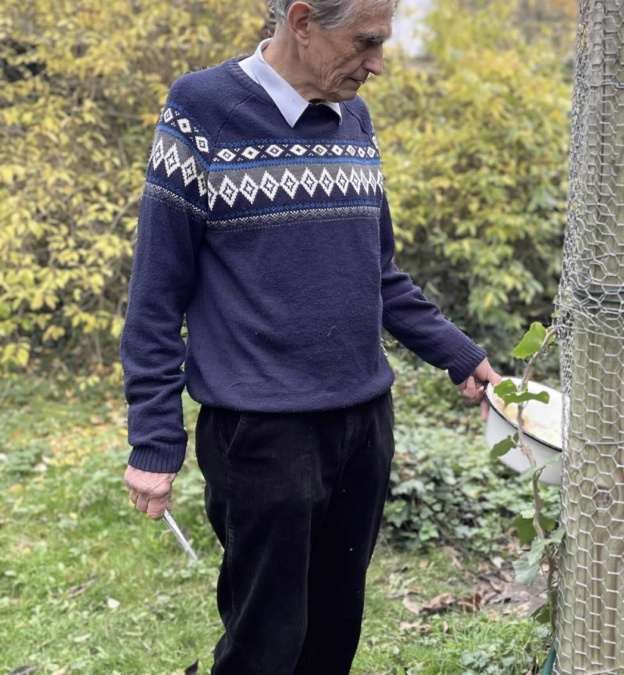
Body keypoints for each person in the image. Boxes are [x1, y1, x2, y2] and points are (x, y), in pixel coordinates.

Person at [120, 0, 500, 672]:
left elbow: (377, 273)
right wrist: (155, 440)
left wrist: (458, 353)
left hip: (362, 423)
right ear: (301, 22)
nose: (378, 63)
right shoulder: (202, 109)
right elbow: (156, 295)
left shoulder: (353, 114)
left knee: (335, 631)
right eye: (365, 42)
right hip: (263, 434)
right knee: (265, 641)